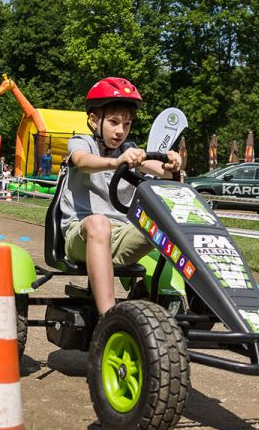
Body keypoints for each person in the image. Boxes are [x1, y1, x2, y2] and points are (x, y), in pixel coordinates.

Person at [60, 77, 181, 317]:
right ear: (94, 120)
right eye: (114, 122)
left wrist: (174, 163)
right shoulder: (82, 143)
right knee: (99, 223)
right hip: (80, 235)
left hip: (121, 236)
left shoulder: (130, 151)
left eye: (126, 124)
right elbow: (82, 161)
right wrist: (115, 163)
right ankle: (110, 317)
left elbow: (162, 172)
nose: (120, 130)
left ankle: (196, 307)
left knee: (170, 220)